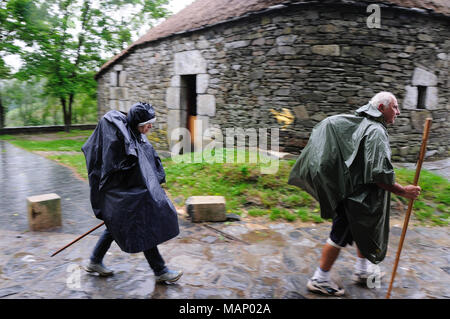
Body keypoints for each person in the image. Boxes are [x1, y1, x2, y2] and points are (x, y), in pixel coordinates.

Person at [288, 92, 421, 296]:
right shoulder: (375, 131)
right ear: (380, 109)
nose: (398, 111)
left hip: (351, 193)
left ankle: (363, 270)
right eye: (394, 107)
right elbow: (378, 175)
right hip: (355, 199)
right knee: (338, 236)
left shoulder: (359, 124)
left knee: (361, 231)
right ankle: (320, 278)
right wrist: (404, 191)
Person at [81, 102, 183, 284]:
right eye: (148, 123)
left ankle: (94, 261)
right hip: (120, 196)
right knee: (138, 226)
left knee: (115, 228)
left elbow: (147, 163)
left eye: (152, 122)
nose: (151, 126)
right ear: (137, 123)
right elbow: (116, 171)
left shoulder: (136, 135)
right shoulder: (120, 140)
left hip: (133, 195)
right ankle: (160, 271)